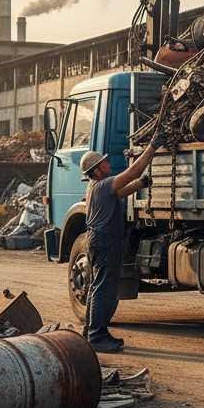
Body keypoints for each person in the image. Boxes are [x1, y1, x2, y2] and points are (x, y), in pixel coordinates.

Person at [79, 131, 162, 354]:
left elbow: (123, 191)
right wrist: (152, 148)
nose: (107, 164)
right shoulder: (103, 184)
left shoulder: (97, 187)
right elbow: (131, 172)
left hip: (99, 241)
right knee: (105, 288)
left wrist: (141, 184)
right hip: (105, 242)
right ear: (96, 171)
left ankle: (92, 332)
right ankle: (97, 336)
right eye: (103, 163)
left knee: (98, 287)